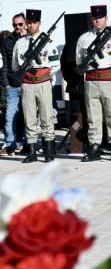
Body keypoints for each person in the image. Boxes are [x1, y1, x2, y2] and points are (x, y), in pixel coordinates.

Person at [75, 5, 111, 162]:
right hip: (91, 81)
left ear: (106, 18)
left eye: (100, 17)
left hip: (110, 79)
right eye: (94, 18)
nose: (97, 20)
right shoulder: (84, 38)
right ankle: (94, 146)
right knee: (93, 116)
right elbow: (80, 60)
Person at [12, 9, 61, 163]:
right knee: (29, 117)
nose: (31, 25)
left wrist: (44, 76)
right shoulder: (20, 43)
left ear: (39, 23)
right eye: (29, 23)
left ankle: (49, 150)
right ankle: (32, 150)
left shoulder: (48, 42)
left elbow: (55, 64)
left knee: (47, 117)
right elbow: (15, 65)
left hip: (43, 83)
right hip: (27, 84)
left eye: (34, 22)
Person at [0, 13, 27, 155]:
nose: (17, 27)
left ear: (26, 24)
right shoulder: (7, 41)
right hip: (12, 86)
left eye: (20, 24)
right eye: (15, 25)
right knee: (9, 118)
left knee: (28, 119)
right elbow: (5, 64)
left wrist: (24, 39)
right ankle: (10, 145)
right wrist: (6, 83)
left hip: (28, 84)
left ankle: (29, 145)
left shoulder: (31, 40)